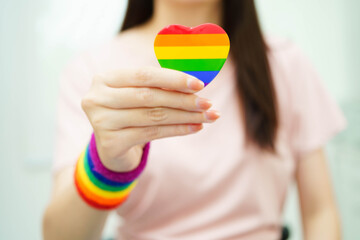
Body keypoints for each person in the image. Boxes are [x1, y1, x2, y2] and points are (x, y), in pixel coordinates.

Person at [42, 0, 346, 239]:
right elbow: (58, 236)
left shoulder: (285, 63)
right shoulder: (95, 72)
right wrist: (107, 166)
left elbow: (320, 212)